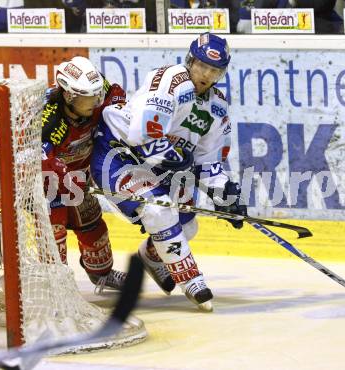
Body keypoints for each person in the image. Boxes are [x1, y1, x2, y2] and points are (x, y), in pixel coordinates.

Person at [90, 33, 247, 312]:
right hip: (118, 154)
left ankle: (152, 257)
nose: (206, 75)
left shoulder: (218, 107)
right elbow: (144, 136)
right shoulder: (170, 82)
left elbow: (208, 163)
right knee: (159, 211)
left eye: (214, 71)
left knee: (188, 225)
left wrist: (226, 195)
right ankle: (192, 279)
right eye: (201, 66)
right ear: (190, 61)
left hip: (158, 167)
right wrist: (178, 159)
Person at [42, 56, 128, 294]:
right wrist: (61, 172)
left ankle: (101, 273)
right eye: (90, 97)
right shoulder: (50, 120)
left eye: (97, 94)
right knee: (54, 227)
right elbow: (38, 157)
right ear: (70, 95)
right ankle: (55, 282)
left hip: (78, 176)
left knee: (91, 224)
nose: (97, 101)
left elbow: (116, 93)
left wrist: (115, 111)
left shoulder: (93, 92)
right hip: (47, 182)